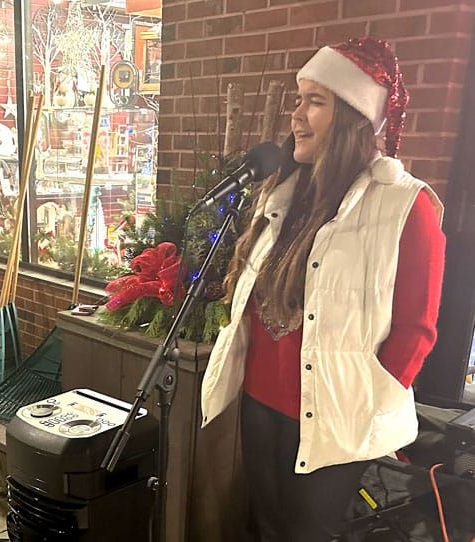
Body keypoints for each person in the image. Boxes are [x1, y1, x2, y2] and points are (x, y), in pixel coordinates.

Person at [200, 37, 446, 541]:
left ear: (354, 115)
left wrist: (365, 412)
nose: (296, 115)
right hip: (260, 403)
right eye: (297, 99)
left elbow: (416, 330)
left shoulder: (405, 206)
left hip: (337, 423)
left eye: (315, 101)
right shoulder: (288, 190)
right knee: (266, 529)